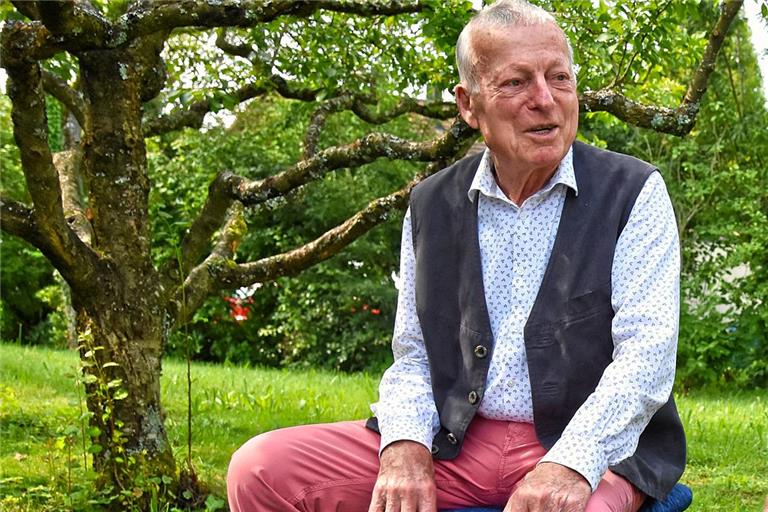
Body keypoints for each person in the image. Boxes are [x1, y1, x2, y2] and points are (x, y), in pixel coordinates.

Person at [226, 1, 686, 511]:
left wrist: (568, 463)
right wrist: (404, 446)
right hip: (458, 443)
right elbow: (415, 355)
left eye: (559, 77)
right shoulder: (431, 204)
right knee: (262, 469)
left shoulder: (634, 191)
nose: (545, 100)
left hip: (582, 444)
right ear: (469, 105)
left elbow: (645, 359)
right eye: (516, 83)